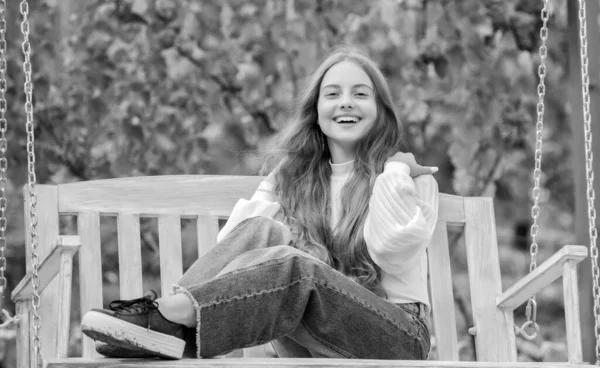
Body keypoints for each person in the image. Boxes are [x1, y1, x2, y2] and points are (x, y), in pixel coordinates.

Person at [80, 45, 439, 360]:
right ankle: (169, 329)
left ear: (380, 109)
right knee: (263, 229)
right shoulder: (297, 180)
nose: (346, 101)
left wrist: (393, 172)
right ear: (315, 110)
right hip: (309, 336)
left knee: (297, 267)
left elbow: (393, 250)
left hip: (397, 336)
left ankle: (166, 316)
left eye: (360, 93)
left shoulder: (411, 178)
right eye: (333, 94)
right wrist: (281, 179)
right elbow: (235, 253)